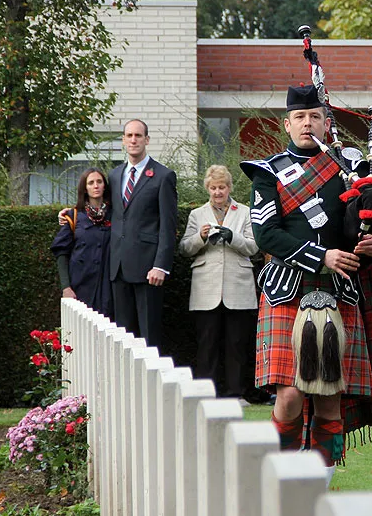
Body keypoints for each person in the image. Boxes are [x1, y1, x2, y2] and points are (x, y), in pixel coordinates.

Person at [239, 85, 372, 488]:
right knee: (290, 396)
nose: (307, 123)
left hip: (338, 294)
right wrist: (322, 256)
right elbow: (266, 234)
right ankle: (282, 483)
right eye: (300, 117)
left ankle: (317, 491)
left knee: (330, 397)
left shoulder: (351, 167)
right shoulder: (269, 172)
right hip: (287, 291)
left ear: (327, 123)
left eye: (315, 116)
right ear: (287, 124)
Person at [179, 165, 259, 403]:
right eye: (213, 188)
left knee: (237, 343)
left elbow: (254, 246)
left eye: (222, 187)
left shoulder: (244, 212)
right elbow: (184, 248)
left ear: (229, 188)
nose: (217, 192)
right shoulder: (197, 214)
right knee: (207, 344)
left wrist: (232, 237)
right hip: (206, 287)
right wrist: (201, 237)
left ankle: (237, 393)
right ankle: (207, 394)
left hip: (238, 285)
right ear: (208, 188)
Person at [109, 119, 178, 348]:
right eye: (129, 135)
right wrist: (71, 214)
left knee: (149, 339)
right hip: (118, 268)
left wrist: (161, 266)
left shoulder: (163, 176)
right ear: (123, 140)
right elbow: (107, 212)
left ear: (147, 140)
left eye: (138, 135)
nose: (133, 140)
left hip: (149, 270)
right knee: (123, 339)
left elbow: (168, 226)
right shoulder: (114, 175)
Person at [52, 168, 114, 318]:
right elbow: (61, 252)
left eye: (99, 182)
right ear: (85, 188)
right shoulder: (73, 216)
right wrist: (66, 287)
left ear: (105, 186)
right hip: (80, 286)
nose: (96, 186)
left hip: (109, 289)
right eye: (91, 183)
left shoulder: (116, 215)